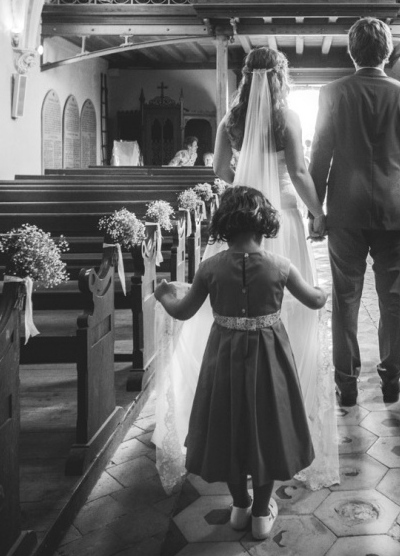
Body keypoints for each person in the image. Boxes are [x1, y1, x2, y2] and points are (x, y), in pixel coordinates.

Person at [152, 47, 338, 493]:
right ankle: (285, 408)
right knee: (287, 308)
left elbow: (219, 170)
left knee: (234, 299)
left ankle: (236, 404)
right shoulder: (287, 117)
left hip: (241, 222)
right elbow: (297, 169)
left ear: (245, 77)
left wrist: (245, 173)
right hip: (285, 220)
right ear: (279, 77)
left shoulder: (229, 120)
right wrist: (320, 213)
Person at [154, 186, 326, 540]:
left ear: (224, 225)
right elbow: (314, 300)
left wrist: (164, 295)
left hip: (224, 361)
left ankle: (239, 506)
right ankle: (262, 513)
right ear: (264, 224)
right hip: (270, 363)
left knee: (230, 429)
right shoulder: (281, 266)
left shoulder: (210, 268)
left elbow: (183, 311)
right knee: (266, 429)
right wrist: (324, 289)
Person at [309, 17, 400, 407]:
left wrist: (316, 211)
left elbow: (320, 156)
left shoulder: (332, 93)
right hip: (396, 210)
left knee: (346, 298)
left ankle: (346, 384)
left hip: (345, 208)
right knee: (393, 298)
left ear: (351, 51)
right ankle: (391, 379)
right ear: (388, 50)